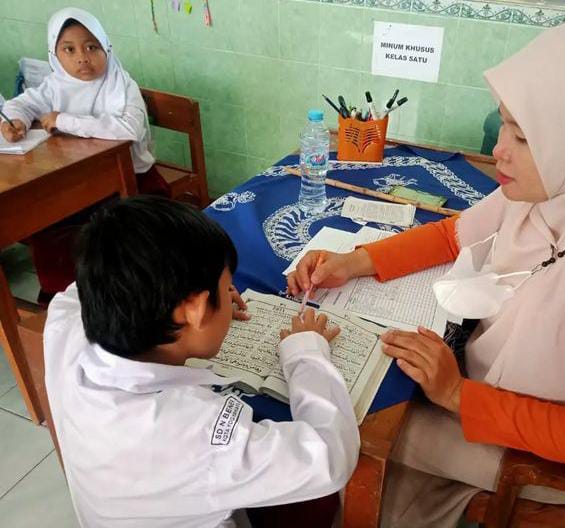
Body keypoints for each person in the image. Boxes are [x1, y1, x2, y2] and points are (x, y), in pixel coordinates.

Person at [288, 19, 565, 527]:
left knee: (365, 421)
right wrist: (355, 262)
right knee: (385, 446)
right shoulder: (563, 196)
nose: (500, 149)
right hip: (491, 398)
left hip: (557, 455)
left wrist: (457, 395)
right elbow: (453, 235)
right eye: (505, 122)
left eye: (524, 137)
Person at [44, 196, 360, 528]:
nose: (231, 295)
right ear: (194, 309)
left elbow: (79, 290)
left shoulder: (65, 328)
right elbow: (330, 458)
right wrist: (306, 352)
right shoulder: (195, 435)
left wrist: (203, 296)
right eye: (225, 291)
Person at [0, 8, 168, 300]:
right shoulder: (55, 85)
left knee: (109, 237)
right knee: (48, 230)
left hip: (128, 182)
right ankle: (64, 300)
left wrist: (63, 120)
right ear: (55, 55)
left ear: (106, 48)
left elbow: (128, 129)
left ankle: (120, 296)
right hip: (75, 185)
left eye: (92, 47)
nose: (82, 57)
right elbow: (21, 104)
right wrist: (15, 121)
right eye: (69, 49)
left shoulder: (121, 85)